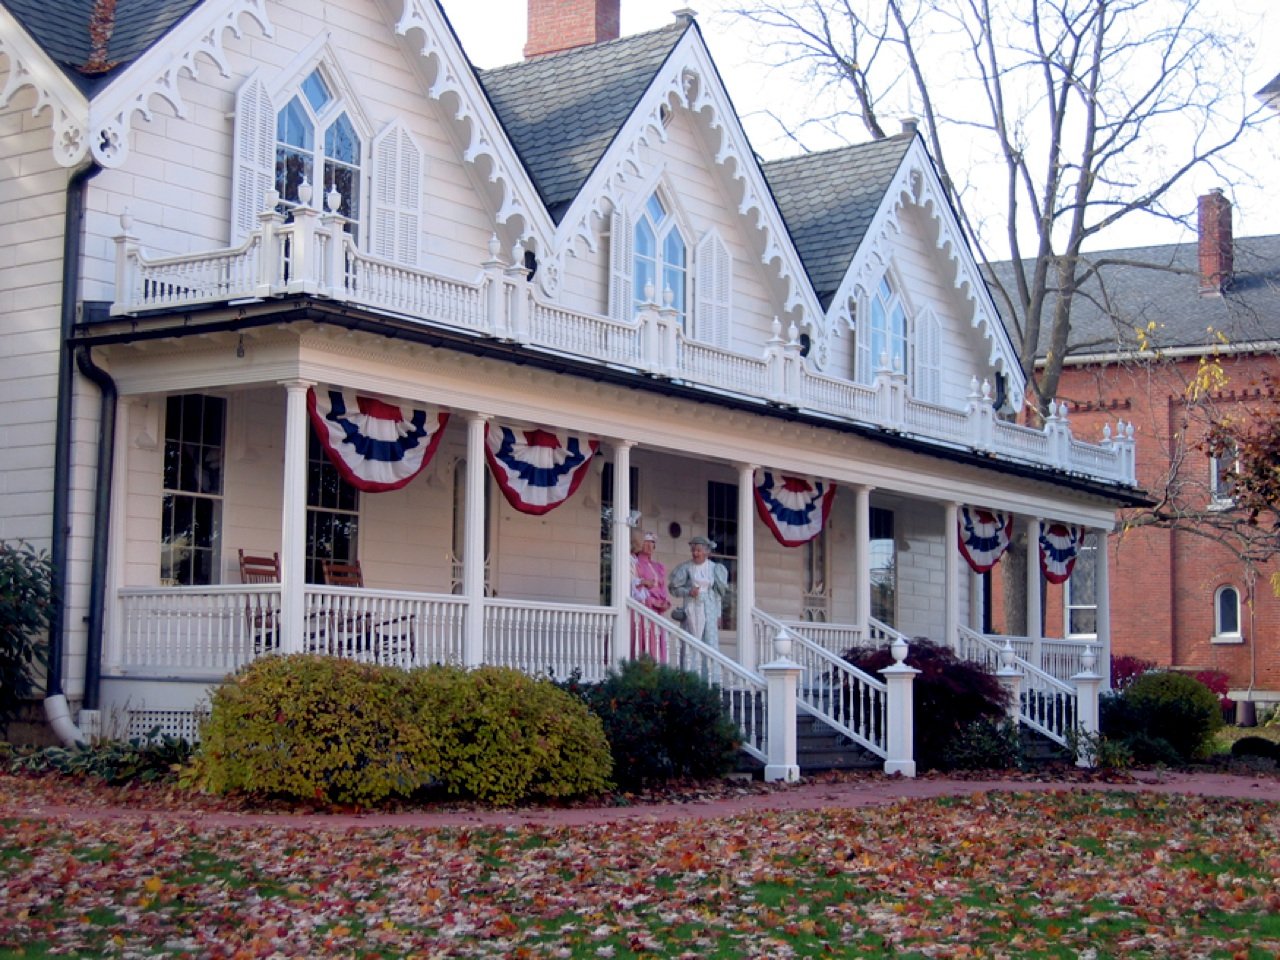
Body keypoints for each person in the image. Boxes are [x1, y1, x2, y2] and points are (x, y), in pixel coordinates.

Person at [667, 535, 730, 680]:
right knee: (692, 643)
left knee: (710, 643)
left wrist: (718, 614)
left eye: (699, 550)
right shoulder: (687, 568)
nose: (695, 553)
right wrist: (688, 591)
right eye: (693, 550)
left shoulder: (714, 568)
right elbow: (674, 588)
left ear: (706, 552)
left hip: (710, 608)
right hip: (692, 607)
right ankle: (690, 679)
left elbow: (717, 594)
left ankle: (711, 680)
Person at [630, 530, 670, 660]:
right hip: (644, 606)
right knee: (645, 637)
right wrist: (650, 597)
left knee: (657, 637)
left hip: (657, 609)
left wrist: (664, 601)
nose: (649, 546)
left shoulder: (658, 566)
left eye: (652, 543)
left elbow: (662, 587)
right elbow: (633, 584)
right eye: (646, 542)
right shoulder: (636, 563)